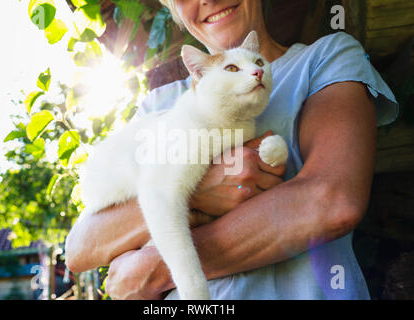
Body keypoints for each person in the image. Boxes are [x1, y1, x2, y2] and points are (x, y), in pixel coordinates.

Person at [64, 0, 398, 300]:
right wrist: (196, 192)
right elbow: (81, 248)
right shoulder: (158, 106)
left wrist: (154, 265)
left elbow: (332, 202)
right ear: (172, 10)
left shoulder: (325, 58)